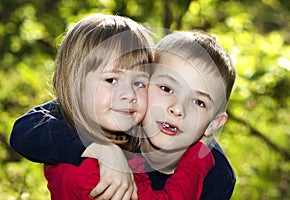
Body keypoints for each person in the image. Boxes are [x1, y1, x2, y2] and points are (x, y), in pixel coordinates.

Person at [10, 30, 236, 199]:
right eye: (166, 89)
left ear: (213, 124)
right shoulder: (121, 116)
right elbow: (25, 129)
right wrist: (101, 148)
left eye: (198, 102)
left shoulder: (217, 172)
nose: (178, 109)